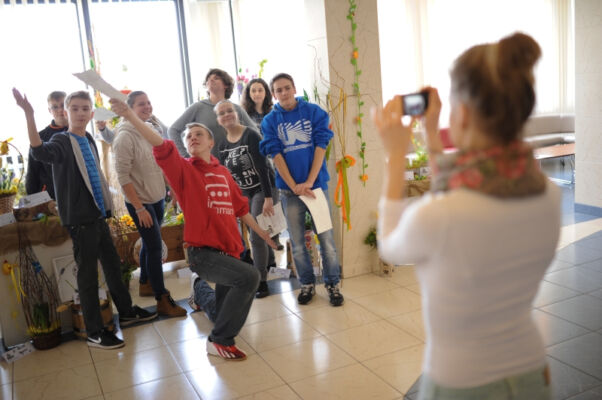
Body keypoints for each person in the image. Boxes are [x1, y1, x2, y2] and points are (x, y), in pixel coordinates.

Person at [373, 33, 559, 399]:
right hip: (532, 375)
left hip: (459, 383)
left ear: (463, 114)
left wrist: (395, 157)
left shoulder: (439, 216)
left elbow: (389, 244)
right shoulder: (547, 194)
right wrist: (430, 132)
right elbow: (459, 189)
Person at [110, 97, 277, 361]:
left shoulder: (223, 173)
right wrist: (130, 116)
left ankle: (199, 290)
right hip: (203, 253)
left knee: (221, 312)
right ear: (186, 146)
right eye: (188, 137)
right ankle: (220, 341)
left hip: (230, 251)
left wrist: (262, 233)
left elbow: (241, 209)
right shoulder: (183, 170)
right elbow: (161, 145)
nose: (192, 138)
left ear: (211, 142)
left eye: (199, 134)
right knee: (249, 277)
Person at [13, 88, 158, 350]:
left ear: (91, 114)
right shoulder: (61, 141)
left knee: (113, 266)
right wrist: (29, 115)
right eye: (74, 109)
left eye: (85, 109)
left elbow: (96, 178)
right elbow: (39, 151)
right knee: (88, 274)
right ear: (65, 112)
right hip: (80, 219)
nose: (80, 113)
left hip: (97, 215)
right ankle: (94, 332)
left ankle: (126, 312)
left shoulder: (88, 139)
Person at [259, 73, 344, 307]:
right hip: (289, 192)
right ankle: (306, 284)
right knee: (297, 244)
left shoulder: (314, 112)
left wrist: (309, 181)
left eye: (287, 88)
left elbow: (321, 146)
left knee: (326, 241)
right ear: (273, 94)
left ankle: (333, 284)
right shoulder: (270, 121)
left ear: (294, 88)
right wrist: (294, 186)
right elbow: (276, 155)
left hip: (315, 188)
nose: (284, 93)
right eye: (278, 90)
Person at [112, 91, 186, 317]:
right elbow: (123, 177)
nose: (147, 107)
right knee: (154, 246)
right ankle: (162, 299)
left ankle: (145, 282)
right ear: (129, 109)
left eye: (148, 103)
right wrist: (139, 208)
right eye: (141, 104)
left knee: (149, 242)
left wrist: (172, 188)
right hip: (140, 202)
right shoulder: (124, 137)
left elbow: (161, 163)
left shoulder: (151, 129)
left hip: (157, 197)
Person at [215, 99, 279, 298]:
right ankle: (269, 263)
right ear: (218, 120)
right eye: (222, 113)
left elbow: (263, 167)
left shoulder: (250, 134)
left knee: (256, 236)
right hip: (244, 192)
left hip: (263, 188)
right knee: (257, 231)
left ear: (237, 113)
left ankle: (261, 282)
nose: (226, 115)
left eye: (229, 111)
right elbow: (226, 176)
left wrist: (268, 197)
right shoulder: (222, 144)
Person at [168, 68, 256, 158]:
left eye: (216, 78)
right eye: (208, 79)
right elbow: (173, 130)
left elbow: (255, 132)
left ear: (225, 85)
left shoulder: (236, 109)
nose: (211, 80)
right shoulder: (198, 107)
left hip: (235, 163)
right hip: (207, 165)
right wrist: (186, 156)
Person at [25, 91, 68, 199]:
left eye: (63, 105)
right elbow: (32, 171)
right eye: (55, 107)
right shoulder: (39, 136)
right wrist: (32, 200)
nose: (60, 110)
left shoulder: (79, 132)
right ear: (49, 110)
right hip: (50, 197)